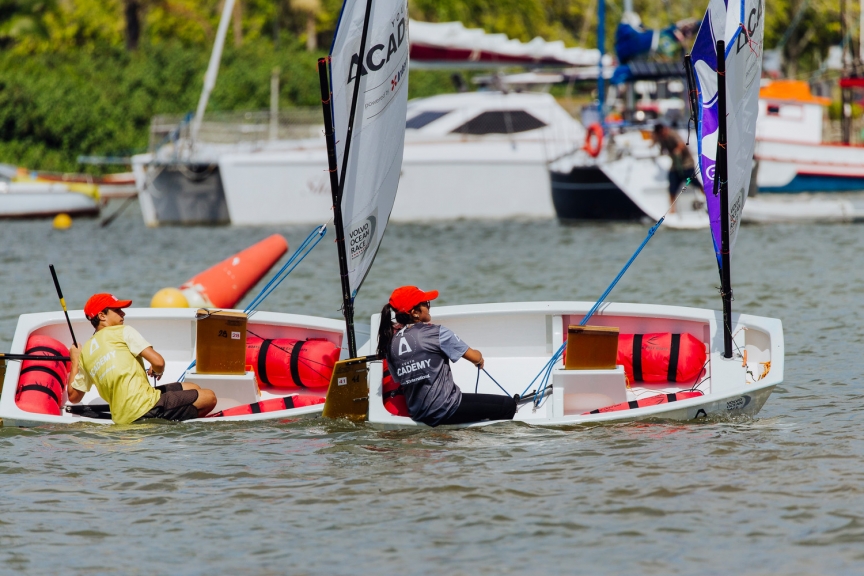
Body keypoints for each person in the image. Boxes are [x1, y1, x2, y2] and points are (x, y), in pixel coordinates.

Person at [377, 286, 517, 427]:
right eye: (426, 304)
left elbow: (400, 378)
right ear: (414, 313)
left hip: (419, 413)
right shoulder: (436, 333)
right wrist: (479, 359)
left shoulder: (391, 343)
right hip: (446, 408)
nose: (429, 307)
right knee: (509, 405)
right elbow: (474, 357)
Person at [66, 293, 217, 424]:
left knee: (192, 387)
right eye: (117, 310)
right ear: (102, 315)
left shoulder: (85, 352)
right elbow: (159, 362)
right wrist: (157, 371)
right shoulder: (122, 331)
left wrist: (75, 361)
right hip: (145, 406)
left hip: (121, 417)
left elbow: (73, 397)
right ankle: (172, 422)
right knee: (209, 397)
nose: (123, 314)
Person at [652, 123, 702, 212]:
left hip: (687, 164)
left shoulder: (672, 134)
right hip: (675, 166)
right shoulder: (661, 138)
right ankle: (672, 208)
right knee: (672, 187)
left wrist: (677, 150)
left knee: (696, 183)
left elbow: (681, 144)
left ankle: (708, 198)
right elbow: (658, 146)